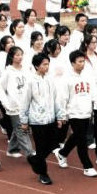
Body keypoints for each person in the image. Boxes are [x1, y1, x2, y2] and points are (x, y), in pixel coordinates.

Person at [21, 53, 64, 185]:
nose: (47, 66)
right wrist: (24, 120)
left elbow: (56, 99)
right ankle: (43, 173)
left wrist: (59, 116)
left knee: (53, 144)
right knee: (40, 146)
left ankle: (35, 159)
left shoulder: (50, 80)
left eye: (48, 64)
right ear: (36, 66)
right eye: (44, 64)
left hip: (51, 118)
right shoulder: (30, 81)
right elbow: (25, 102)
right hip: (37, 120)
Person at [56, 51, 97, 177]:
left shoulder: (88, 76)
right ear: (73, 63)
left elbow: (94, 91)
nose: (82, 64)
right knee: (82, 140)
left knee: (77, 136)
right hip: (73, 113)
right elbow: (62, 98)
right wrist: (62, 114)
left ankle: (62, 153)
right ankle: (87, 166)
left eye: (83, 61)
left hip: (86, 112)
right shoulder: (66, 79)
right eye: (80, 61)